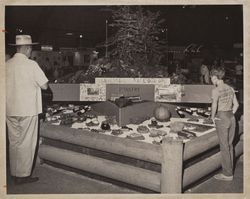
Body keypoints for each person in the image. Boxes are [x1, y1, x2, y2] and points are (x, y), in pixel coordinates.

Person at [6, 35, 49, 185]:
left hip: (10, 109)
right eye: (30, 48)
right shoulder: (31, 65)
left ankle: (14, 172)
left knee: (14, 142)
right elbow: (44, 85)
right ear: (27, 48)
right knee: (26, 143)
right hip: (27, 109)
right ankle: (23, 175)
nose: (31, 51)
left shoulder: (7, 64)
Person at [210, 67, 239, 181]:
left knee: (224, 147)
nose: (211, 81)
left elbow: (214, 106)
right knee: (230, 145)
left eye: (212, 78)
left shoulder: (216, 90)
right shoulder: (230, 88)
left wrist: (212, 117)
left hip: (222, 117)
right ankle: (230, 171)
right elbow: (236, 105)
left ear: (215, 77)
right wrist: (230, 114)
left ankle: (227, 174)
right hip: (231, 118)